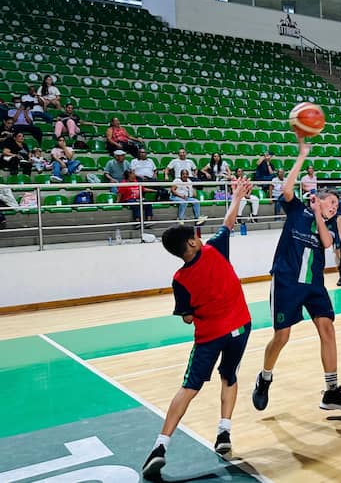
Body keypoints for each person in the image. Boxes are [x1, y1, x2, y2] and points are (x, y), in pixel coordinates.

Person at [141, 178, 254, 480]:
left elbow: (187, 318)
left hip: (209, 337)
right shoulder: (216, 248)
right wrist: (237, 196)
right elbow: (228, 222)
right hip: (241, 327)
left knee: (189, 387)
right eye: (196, 234)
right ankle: (224, 433)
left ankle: (160, 447)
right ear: (192, 242)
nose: (200, 235)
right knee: (229, 377)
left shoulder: (180, 279)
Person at [251, 137, 341, 414]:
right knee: (282, 336)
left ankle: (332, 391)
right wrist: (302, 156)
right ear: (317, 199)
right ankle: (264, 377)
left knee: (328, 329)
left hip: (313, 285)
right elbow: (286, 188)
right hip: (287, 281)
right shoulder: (298, 210)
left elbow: (326, 244)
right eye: (332, 202)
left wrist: (321, 217)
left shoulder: (328, 225)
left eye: (337, 205)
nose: (335, 207)